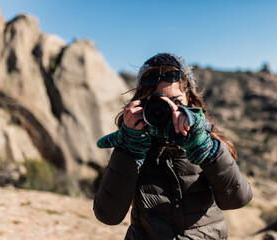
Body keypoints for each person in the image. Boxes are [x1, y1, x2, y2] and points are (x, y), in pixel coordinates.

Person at [93, 53, 253, 240]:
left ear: (190, 101)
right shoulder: (133, 147)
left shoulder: (206, 142)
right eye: (156, 102)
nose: (167, 110)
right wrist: (129, 152)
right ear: (140, 105)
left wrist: (206, 150)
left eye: (176, 102)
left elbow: (238, 199)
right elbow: (108, 215)